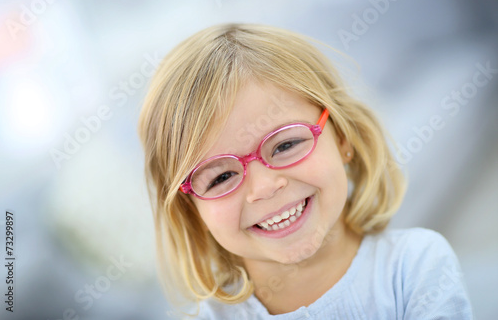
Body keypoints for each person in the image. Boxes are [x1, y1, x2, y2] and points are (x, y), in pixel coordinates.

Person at [138, 23, 473, 319]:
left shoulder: (414, 267)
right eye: (220, 177)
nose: (265, 187)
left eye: (285, 145)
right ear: (193, 211)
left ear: (343, 136)